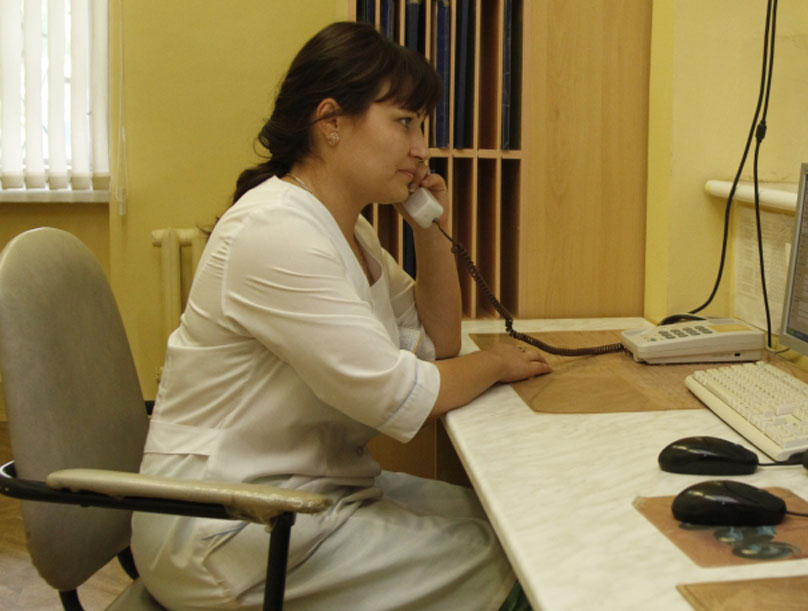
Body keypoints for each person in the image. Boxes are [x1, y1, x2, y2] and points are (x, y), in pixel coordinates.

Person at [131, 21, 549, 610]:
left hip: (310, 497)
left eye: (421, 126)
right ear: (331, 121)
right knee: (525, 568)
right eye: (404, 122)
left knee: (523, 519)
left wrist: (431, 230)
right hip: (228, 528)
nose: (421, 148)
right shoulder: (276, 230)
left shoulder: (351, 231)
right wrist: (498, 362)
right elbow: (403, 395)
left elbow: (439, 344)